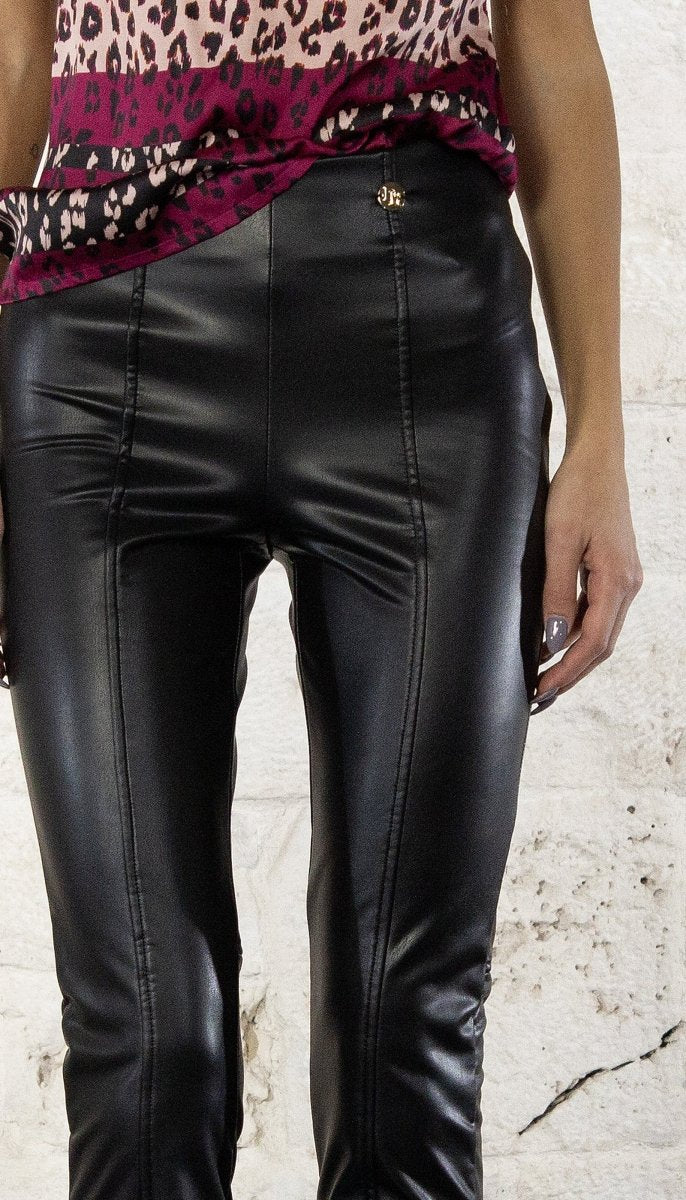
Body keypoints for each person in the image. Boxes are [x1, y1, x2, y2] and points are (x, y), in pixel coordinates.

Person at [0, 2, 643, 1199]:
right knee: (149, 1039)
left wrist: (599, 439)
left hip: (424, 335)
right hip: (101, 342)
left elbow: (550, 42)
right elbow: (15, 48)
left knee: (407, 1026)